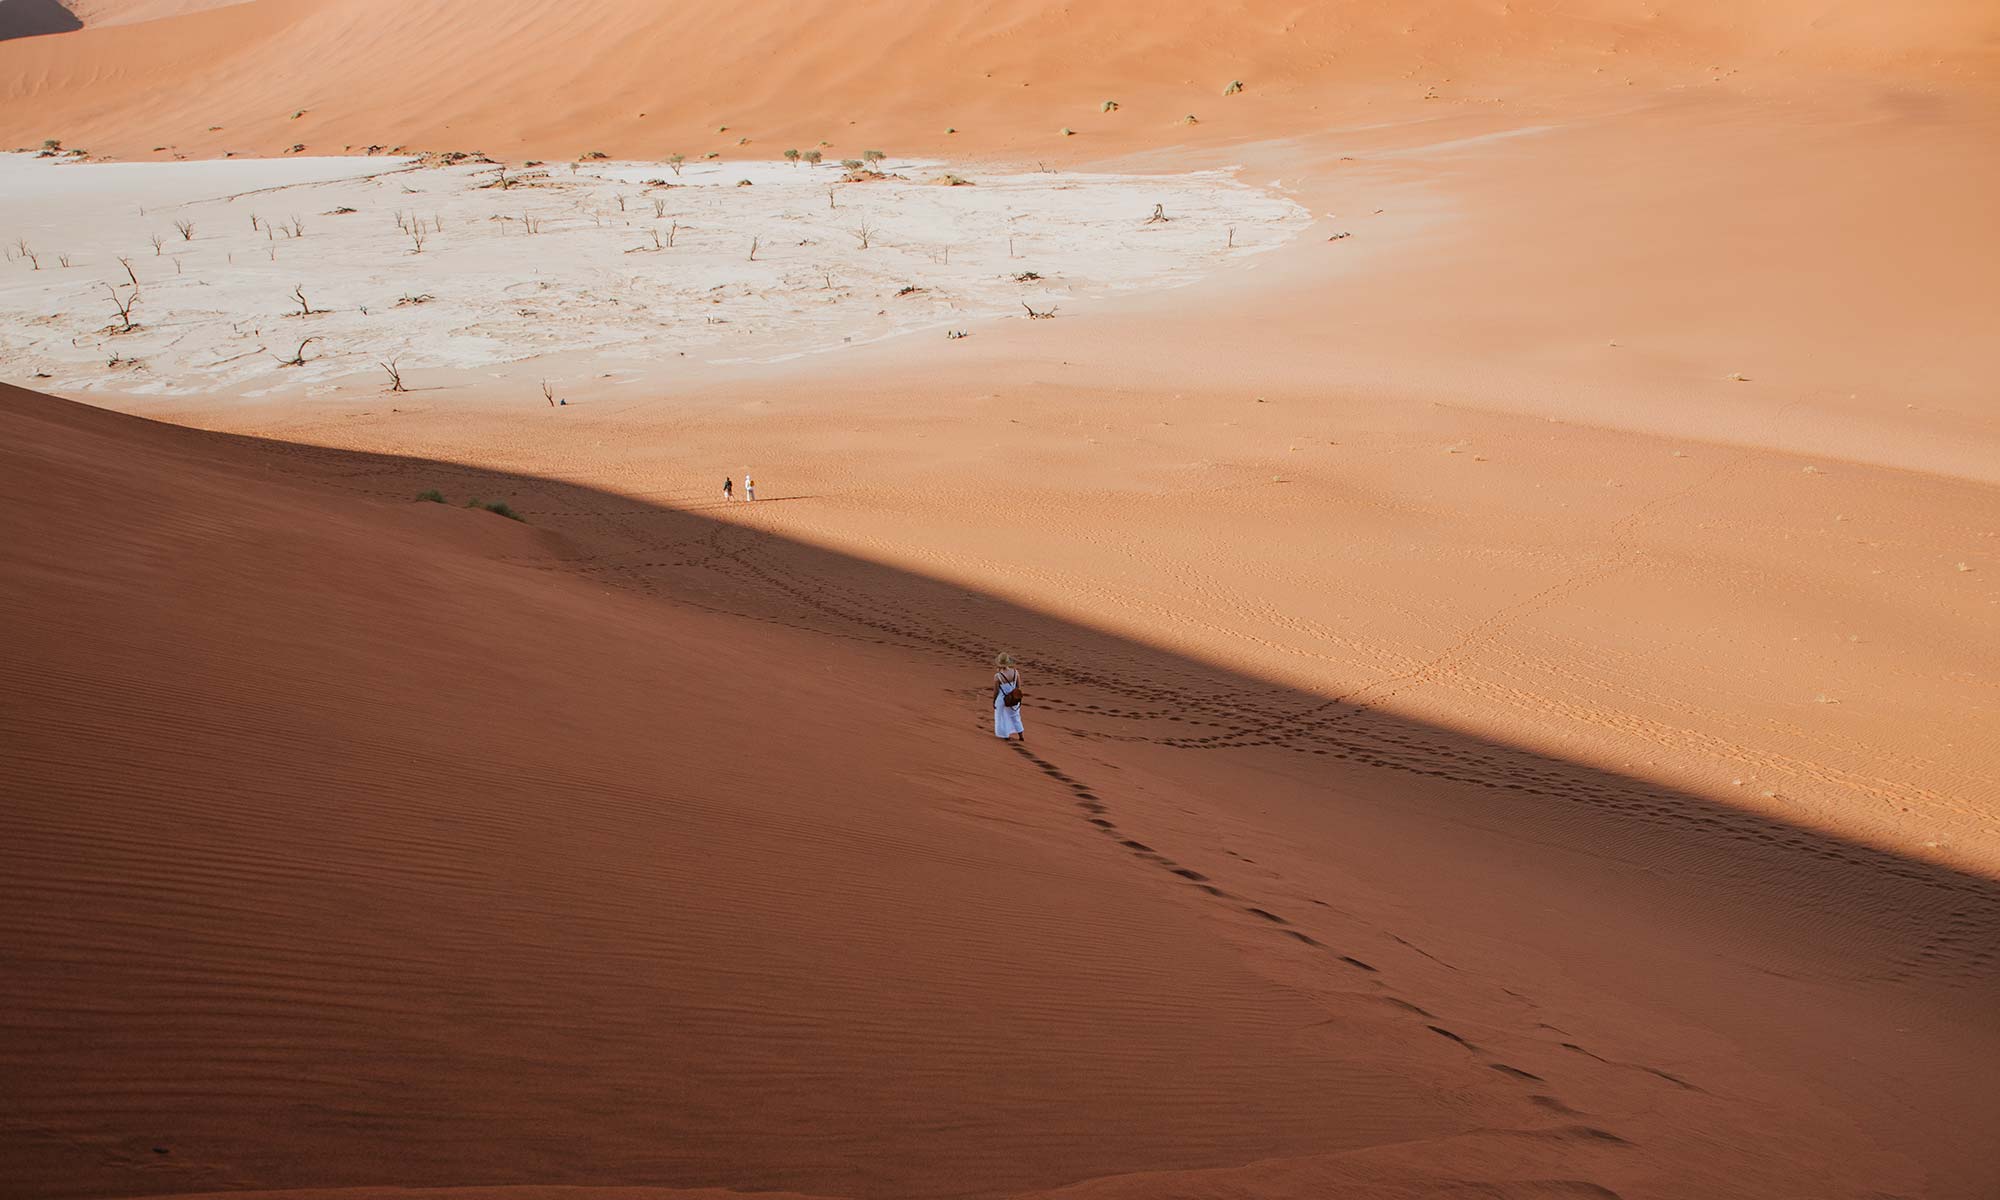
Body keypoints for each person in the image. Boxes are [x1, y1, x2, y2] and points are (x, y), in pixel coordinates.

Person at [992, 653, 1025, 742]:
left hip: (1002, 699)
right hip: (1013, 698)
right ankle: (1021, 735)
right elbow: (1019, 687)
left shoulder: (998, 676)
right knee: (1015, 716)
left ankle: (1005, 735)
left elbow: (996, 691)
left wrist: (994, 701)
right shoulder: (1015, 672)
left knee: (1002, 716)